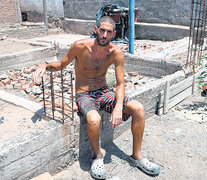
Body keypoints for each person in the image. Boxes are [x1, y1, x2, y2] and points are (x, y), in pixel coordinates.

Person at [33, 16, 160, 179]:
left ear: (113, 34)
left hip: (104, 92)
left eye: (108, 32)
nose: (104, 35)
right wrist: (44, 66)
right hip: (83, 94)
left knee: (138, 108)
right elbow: (61, 65)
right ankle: (97, 156)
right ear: (96, 30)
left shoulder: (116, 52)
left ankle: (137, 157)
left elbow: (121, 83)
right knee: (93, 119)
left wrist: (117, 107)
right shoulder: (80, 46)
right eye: (102, 30)